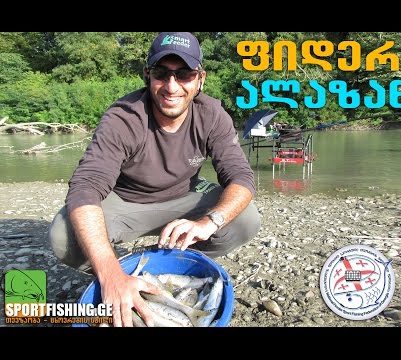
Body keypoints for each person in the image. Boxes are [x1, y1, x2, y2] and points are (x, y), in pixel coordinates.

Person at [48, 32, 261, 327]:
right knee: (63, 237)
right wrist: (110, 275)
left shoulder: (212, 114)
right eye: (162, 73)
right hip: (127, 201)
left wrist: (208, 222)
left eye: (184, 74)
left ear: (200, 78)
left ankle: (176, 260)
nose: (172, 86)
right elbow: (85, 187)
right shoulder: (123, 118)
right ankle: (121, 269)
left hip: (185, 198)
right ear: (148, 75)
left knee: (246, 218)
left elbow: (241, 176)